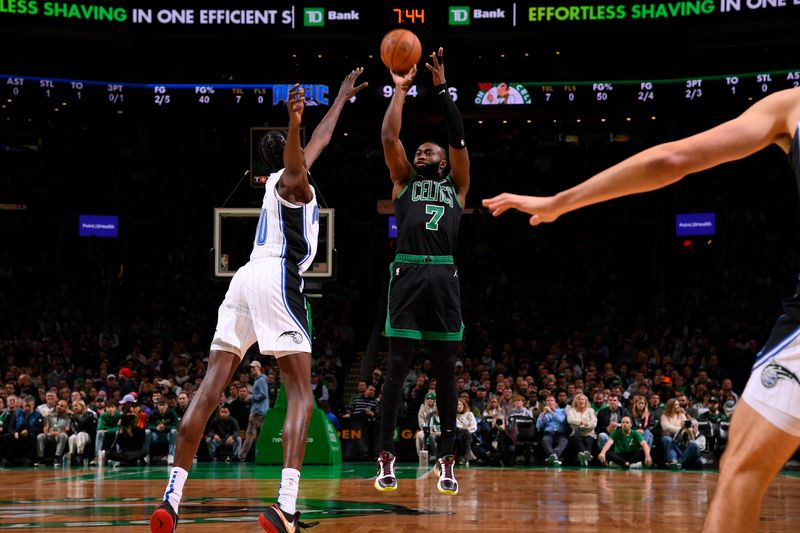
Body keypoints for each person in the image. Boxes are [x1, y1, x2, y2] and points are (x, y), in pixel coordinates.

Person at [483, 87, 800, 533]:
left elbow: (671, 160)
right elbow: (668, 160)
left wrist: (561, 203)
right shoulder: (789, 106)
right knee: (740, 469)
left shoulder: (791, 105)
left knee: (742, 473)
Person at [149, 68, 366, 533]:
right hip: (275, 277)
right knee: (301, 394)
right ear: (287, 160)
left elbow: (319, 143)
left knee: (210, 388)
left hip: (243, 279)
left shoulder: (273, 183)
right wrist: (294, 121)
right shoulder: (294, 186)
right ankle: (286, 504)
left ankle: (172, 497)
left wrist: (341, 100)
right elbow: (301, 157)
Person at [375, 46, 470, 497]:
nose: (419, 151)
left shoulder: (458, 184)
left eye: (427, 149)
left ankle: (448, 459)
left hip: (444, 274)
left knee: (446, 369)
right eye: (419, 149)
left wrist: (442, 89)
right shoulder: (403, 181)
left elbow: (457, 135)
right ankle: (385, 455)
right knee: (397, 365)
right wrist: (399, 92)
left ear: (444, 161)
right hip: (409, 272)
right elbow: (389, 138)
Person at [238, 360, 268, 462]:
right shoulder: (259, 380)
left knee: (251, 435)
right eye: (251, 368)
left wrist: (251, 397)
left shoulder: (261, 380)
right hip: (259, 410)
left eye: (253, 367)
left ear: (258, 367)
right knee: (257, 434)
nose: (251, 370)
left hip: (258, 412)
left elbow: (264, 395)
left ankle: (242, 456)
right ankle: (244, 456)